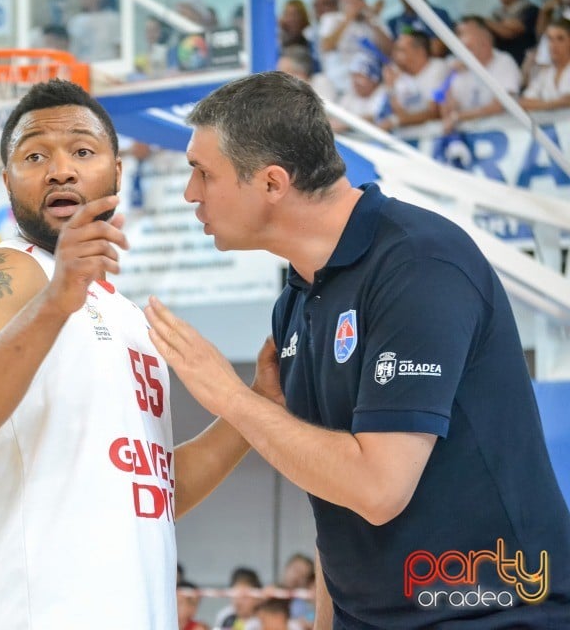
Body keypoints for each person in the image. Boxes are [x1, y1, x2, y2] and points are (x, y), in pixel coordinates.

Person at [143, 71, 570, 628]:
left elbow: (377, 489)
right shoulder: (297, 297)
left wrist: (232, 399)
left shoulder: (419, 265)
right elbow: (336, 502)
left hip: (494, 612)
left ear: (272, 183)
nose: (190, 192)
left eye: (203, 172)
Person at [0, 79, 251, 628]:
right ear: (7, 181)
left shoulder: (126, 315)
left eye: (82, 150)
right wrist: (56, 301)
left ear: (116, 172)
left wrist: (257, 403)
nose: (61, 170)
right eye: (35, 156)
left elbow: (151, 494)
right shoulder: (7, 271)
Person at [440, 16, 522, 133]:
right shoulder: (456, 67)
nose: (460, 40)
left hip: (505, 133)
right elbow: (445, 111)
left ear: (485, 40)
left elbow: (500, 105)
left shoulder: (504, 61)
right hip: (468, 138)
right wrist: (449, 77)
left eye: (465, 34)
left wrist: (459, 117)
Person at [520, 18, 570, 111]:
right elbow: (524, 102)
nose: (553, 45)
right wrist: (557, 103)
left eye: (560, 39)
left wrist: (539, 104)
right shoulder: (546, 73)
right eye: (550, 39)